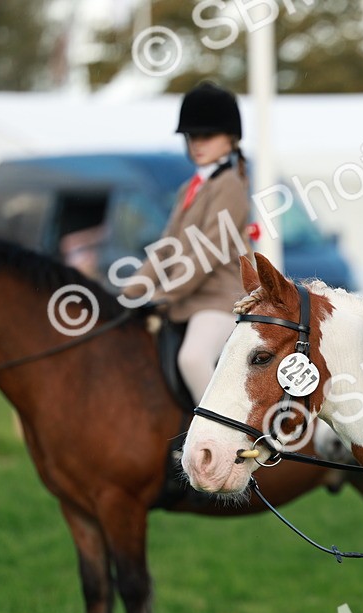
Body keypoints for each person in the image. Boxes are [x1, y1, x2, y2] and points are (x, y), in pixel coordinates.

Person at [121, 81, 251, 403]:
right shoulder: (189, 188)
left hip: (220, 299)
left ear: (230, 139)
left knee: (192, 358)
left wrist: (164, 295)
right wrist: (130, 292)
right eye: (192, 136)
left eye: (207, 136)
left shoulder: (230, 186)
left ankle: (221, 436)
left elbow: (208, 251)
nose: (197, 144)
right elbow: (167, 247)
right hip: (186, 299)